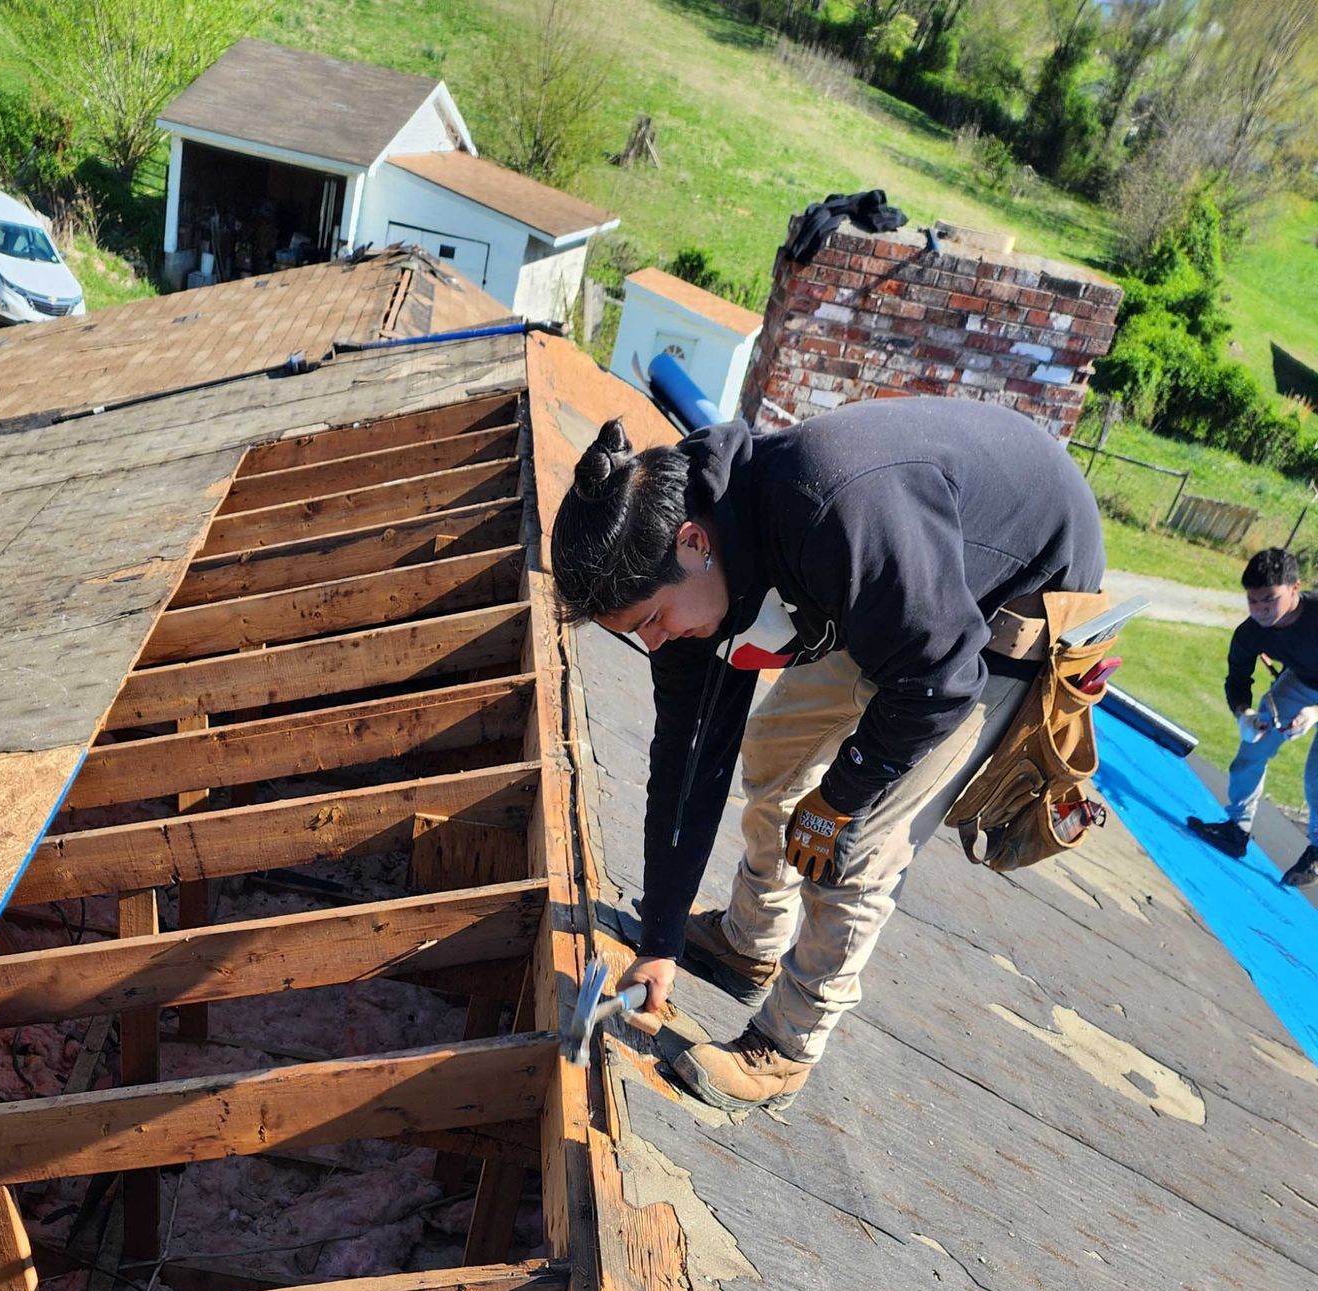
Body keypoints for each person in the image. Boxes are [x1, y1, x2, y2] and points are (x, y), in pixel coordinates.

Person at [548, 398, 1107, 1110]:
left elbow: (940, 681)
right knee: (778, 752)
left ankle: (786, 1047)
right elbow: (686, 760)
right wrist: (659, 939)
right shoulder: (690, 563)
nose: (654, 643)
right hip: (907, 588)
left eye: (653, 622)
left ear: (693, 542)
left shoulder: (831, 514)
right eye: (637, 633)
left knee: (861, 841)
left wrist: (842, 795)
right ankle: (749, 939)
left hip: (1009, 598)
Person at [1185, 547, 1318, 889]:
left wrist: (1313, 714)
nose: (1260, 610)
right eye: (1253, 601)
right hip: (1302, 681)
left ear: (1294, 588)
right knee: (1252, 747)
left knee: (1315, 777)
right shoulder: (1251, 632)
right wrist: (1243, 714)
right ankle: (1236, 829)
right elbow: (1237, 680)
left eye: (1269, 600)